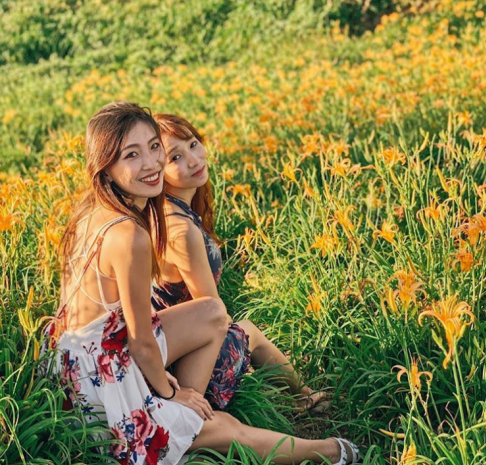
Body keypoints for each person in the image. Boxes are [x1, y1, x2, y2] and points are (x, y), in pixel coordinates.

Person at [43, 102, 358, 465]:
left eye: (154, 146)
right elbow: (141, 342)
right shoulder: (130, 234)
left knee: (212, 312)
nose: (151, 163)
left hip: (76, 358)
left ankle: (192, 412)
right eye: (132, 154)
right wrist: (169, 393)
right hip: (103, 379)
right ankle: (332, 453)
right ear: (106, 168)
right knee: (222, 427)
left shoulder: (92, 211)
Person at [151, 113, 328, 414]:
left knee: (245, 331)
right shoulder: (180, 230)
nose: (194, 160)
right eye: (176, 157)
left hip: (169, 345)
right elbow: (212, 312)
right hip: (180, 365)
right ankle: (305, 397)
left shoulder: (166, 212)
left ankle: (303, 395)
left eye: (193, 144)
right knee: (248, 333)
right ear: (157, 171)